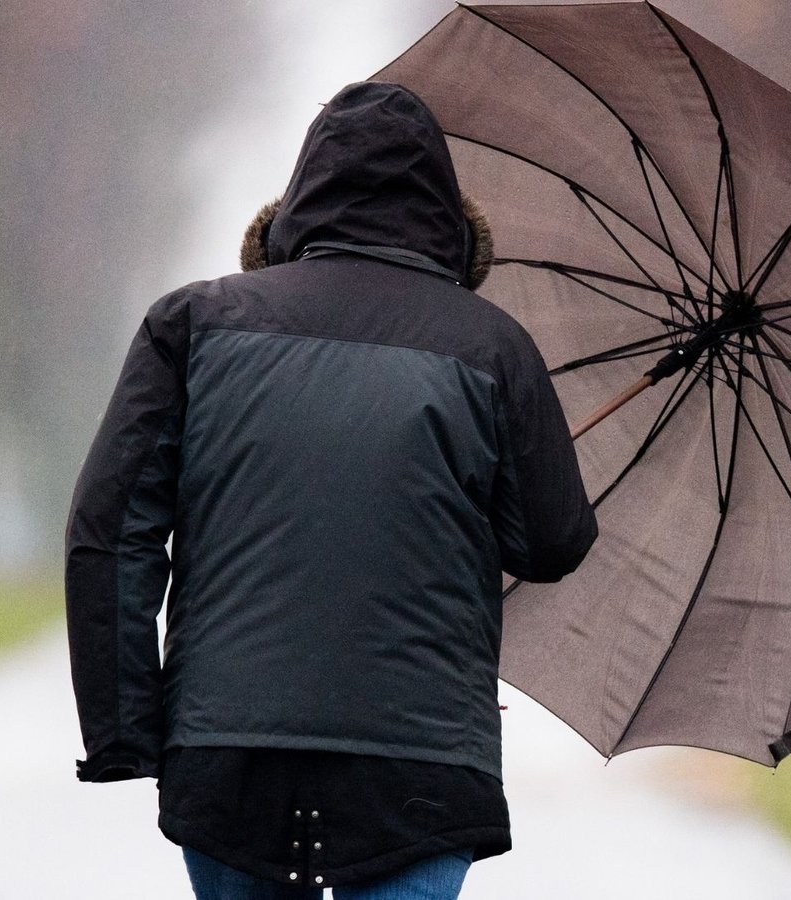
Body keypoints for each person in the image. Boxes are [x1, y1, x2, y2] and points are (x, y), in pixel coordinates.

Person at [63, 81, 599, 898]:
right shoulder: (493, 349)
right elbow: (552, 542)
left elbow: (111, 533)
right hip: (419, 768)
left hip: (227, 761)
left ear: (297, 203)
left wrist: (125, 735)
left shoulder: (191, 327)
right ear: (451, 223)